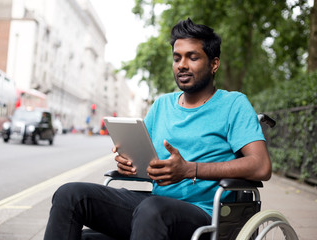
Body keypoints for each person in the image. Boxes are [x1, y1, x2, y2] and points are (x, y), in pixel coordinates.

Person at [44, 18, 272, 240]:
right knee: (70, 195)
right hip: (153, 208)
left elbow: (261, 166)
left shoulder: (233, 104)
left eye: (192, 57)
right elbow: (150, 164)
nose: (182, 64)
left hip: (204, 213)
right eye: (177, 58)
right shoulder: (162, 105)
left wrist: (190, 169)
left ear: (214, 64)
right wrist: (130, 165)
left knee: (152, 210)